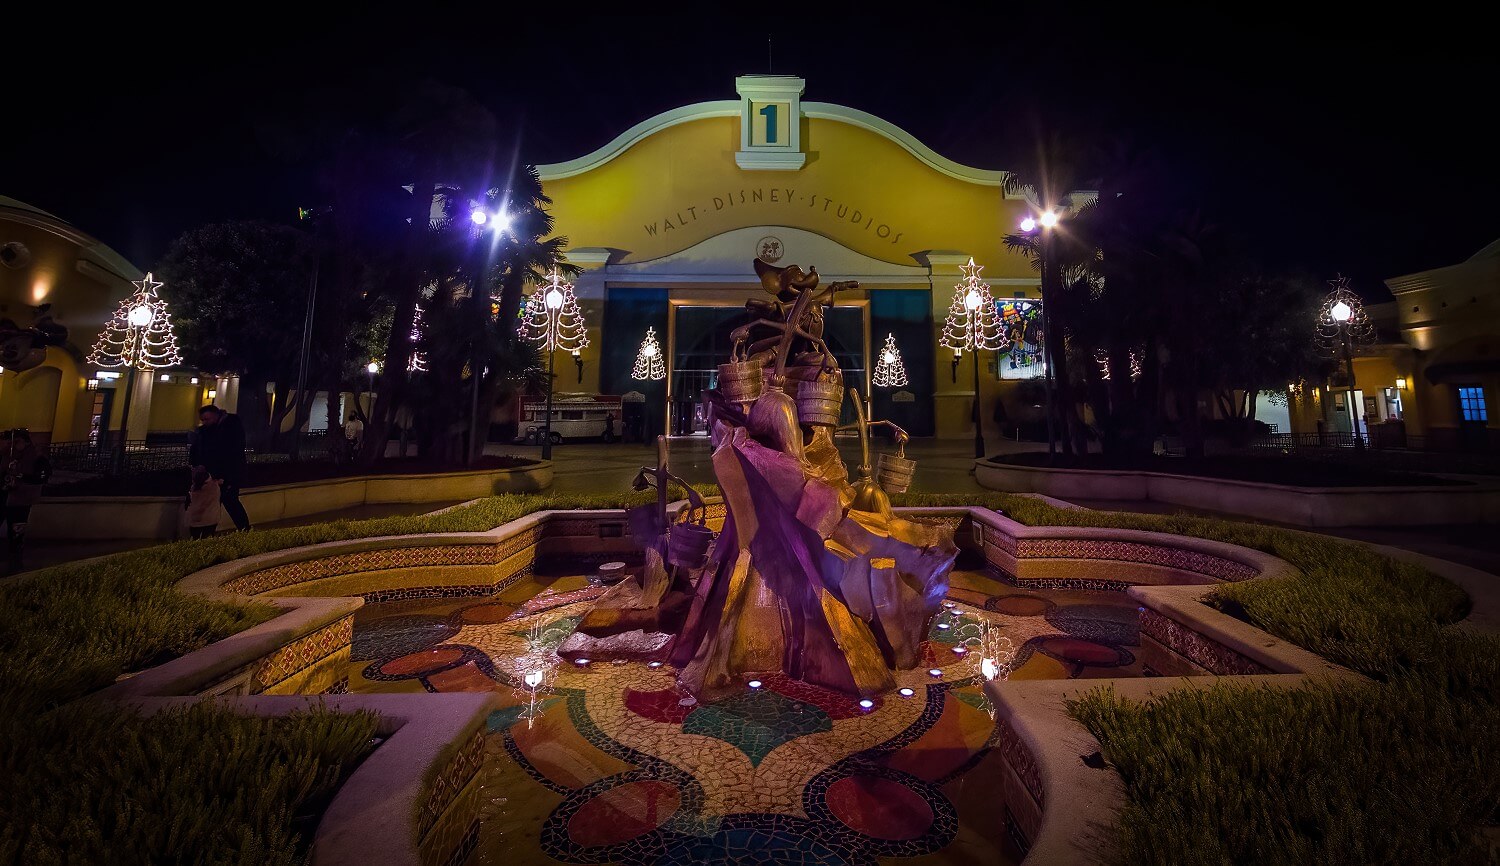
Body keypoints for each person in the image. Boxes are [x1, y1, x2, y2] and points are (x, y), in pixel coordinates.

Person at [189, 404, 251, 531]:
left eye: (207, 419)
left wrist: (224, 476)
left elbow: (231, 452)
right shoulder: (205, 431)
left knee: (230, 501)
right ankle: (207, 532)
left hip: (229, 474)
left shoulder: (231, 427)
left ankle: (244, 529)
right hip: (213, 474)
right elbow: (199, 450)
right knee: (215, 503)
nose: (205, 423)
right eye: (203, 420)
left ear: (216, 416)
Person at [1, 428, 51, 574]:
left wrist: (20, 476)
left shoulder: (36, 458)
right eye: (13, 442)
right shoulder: (8, 456)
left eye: (18, 442)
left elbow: (40, 477)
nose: (15, 445)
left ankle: (15, 559)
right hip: (5, 497)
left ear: (27, 442)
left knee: (17, 530)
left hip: (21, 500)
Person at [184, 465, 223, 539]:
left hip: (195, 519)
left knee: (195, 540)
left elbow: (187, 505)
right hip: (211, 519)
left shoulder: (193, 488)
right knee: (207, 541)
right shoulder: (215, 485)